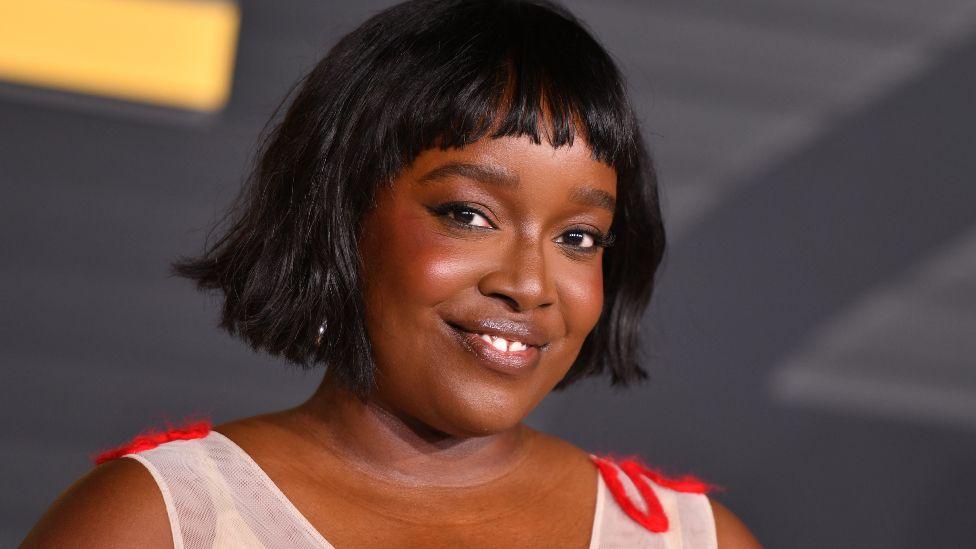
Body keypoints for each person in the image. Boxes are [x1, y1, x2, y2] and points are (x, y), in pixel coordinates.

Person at [22, 0, 761, 547]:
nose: (530, 283)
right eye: (469, 215)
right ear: (342, 215)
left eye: (578, 236)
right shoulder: (157, 524)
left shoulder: (693, 539)